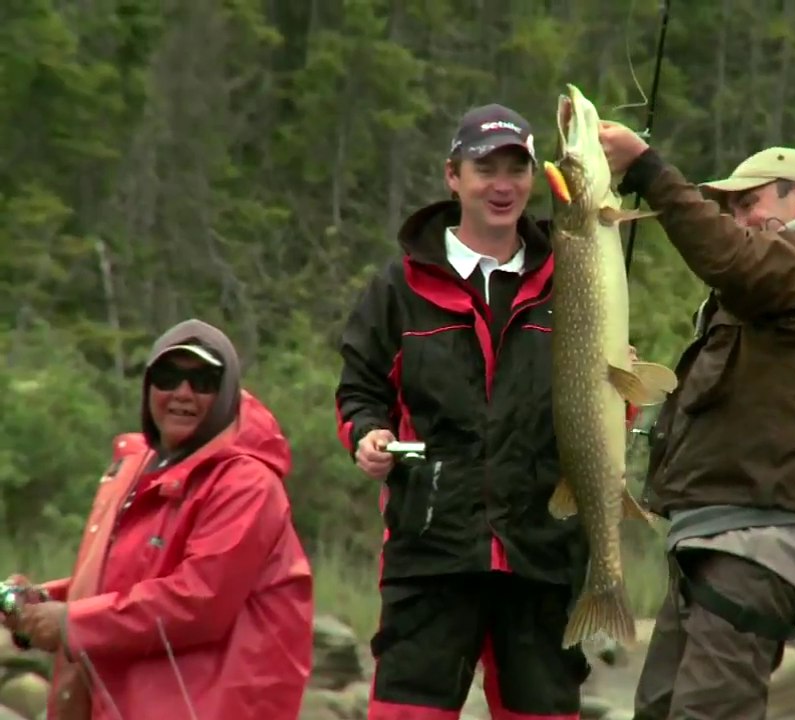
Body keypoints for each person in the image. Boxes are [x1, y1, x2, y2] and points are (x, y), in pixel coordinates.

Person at [596, 129, 795, 720]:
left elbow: (727, 256)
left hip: (758, 545)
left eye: (750, 202)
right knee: (661, 710)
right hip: (717, 539)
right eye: (732, 208)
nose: (738, 219)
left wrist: (648, 171)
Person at [336, 102, 613, 720]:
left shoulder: (573, 278)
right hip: (430, 555)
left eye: (517, 168)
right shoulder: (398, 287)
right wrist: (367, 434)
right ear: (453, 176)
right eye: (486, 168)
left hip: (542, 558)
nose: (502, 184)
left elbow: (605, 401)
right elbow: (359, 389)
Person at [2, 318, 314, 720]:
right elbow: (126, 581)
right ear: (149, 386)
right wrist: (46, 601)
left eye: (202, 381)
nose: (182, 393)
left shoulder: (247, 483)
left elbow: (198, 600)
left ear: (226, 395)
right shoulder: (136, 468)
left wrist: (71, 622)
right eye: (168, 377)